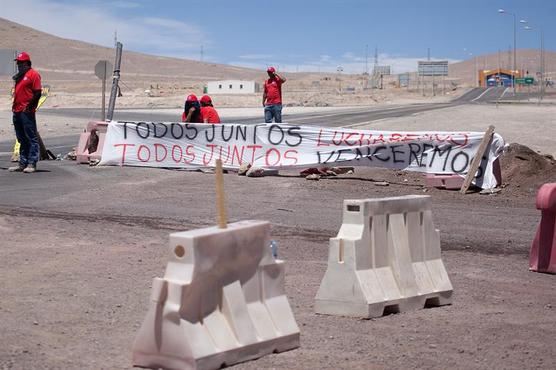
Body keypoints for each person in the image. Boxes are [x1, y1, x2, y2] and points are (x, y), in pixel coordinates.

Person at [9, 52, 42, 173]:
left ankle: (32, 163)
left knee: (31, 137)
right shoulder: (19, 76)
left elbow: (38, 92)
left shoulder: (33, 75)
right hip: (17, 110)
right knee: (21, 138)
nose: (19, 65)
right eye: (18, 63)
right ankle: (22, 163)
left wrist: (29, 107)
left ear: (27, 63)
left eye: (21, 62)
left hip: (26, 111)